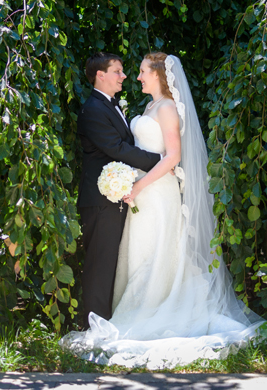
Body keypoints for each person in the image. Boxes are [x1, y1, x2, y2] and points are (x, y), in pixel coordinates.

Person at [62, 53, 264, 369]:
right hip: (139, 191)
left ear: (158, 74)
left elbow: (172, 156)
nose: (135, 77)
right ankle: (133, 309)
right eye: (128, 71)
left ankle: (154, 312)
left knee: (159, 252)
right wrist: (137, 183)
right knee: (140, 254)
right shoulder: (148, 107)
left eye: (141, 71)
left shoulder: (167, 108)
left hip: (154, 192)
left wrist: (141, 185)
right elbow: (126, 149)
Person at [75, 52, 162, 328]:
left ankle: (105, 320)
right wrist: (159, 161)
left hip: (114, 198)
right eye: (117, 71)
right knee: (100, 265)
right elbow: (117, 149)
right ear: (100, 75)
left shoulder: (109, 105)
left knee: (111, 263)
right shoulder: (93, 110)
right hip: (100, 201)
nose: (123, 76)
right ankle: (95, 326)